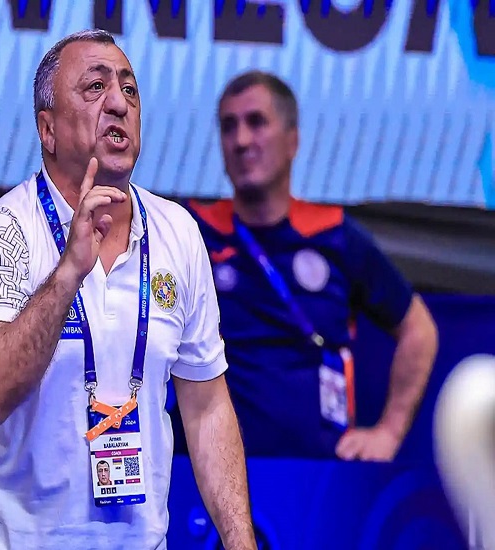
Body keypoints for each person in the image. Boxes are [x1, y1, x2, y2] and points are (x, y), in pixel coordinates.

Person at [0, 30, 255, 550]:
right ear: (47, 129)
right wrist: (69, 271)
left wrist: (240, 541)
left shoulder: (177, 233)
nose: (118, 103)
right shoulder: (1, 232)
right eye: (95, 87)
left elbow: (206, 407)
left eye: (129, 89)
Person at [185, 70, 439, 461]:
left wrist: (389, 432)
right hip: (211, 473)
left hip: (320, 477)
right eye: (228, 126)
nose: (241, 140)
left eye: (256, 122)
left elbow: (419, 330)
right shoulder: (192, 231)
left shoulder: (335, 234)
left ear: (293, 140)